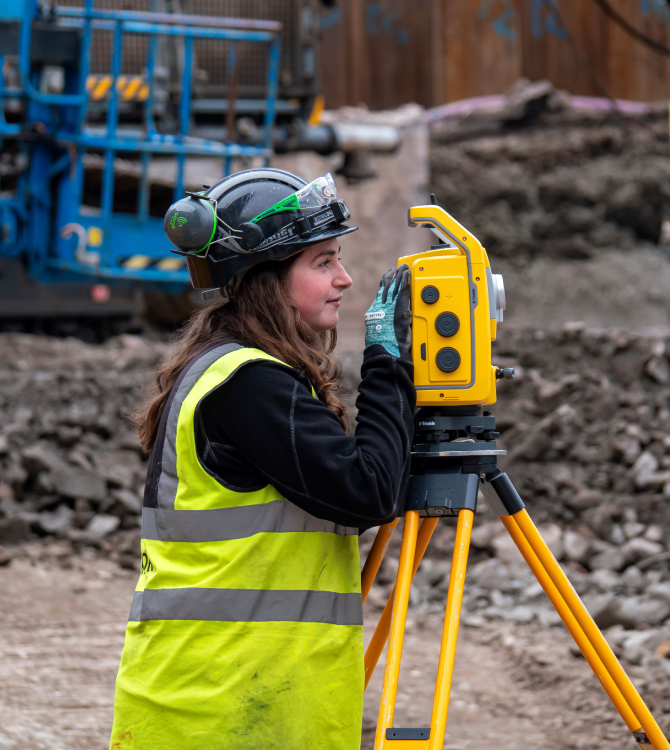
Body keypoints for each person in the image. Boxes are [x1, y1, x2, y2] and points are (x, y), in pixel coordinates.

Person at [108, 168, 415, 749]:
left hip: (234, 699)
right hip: (219, 712)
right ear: (266, 280)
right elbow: (368, 490)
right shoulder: (245, 384)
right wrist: (389, 361)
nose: (345, 279)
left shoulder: (233, 370)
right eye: (322, 262)